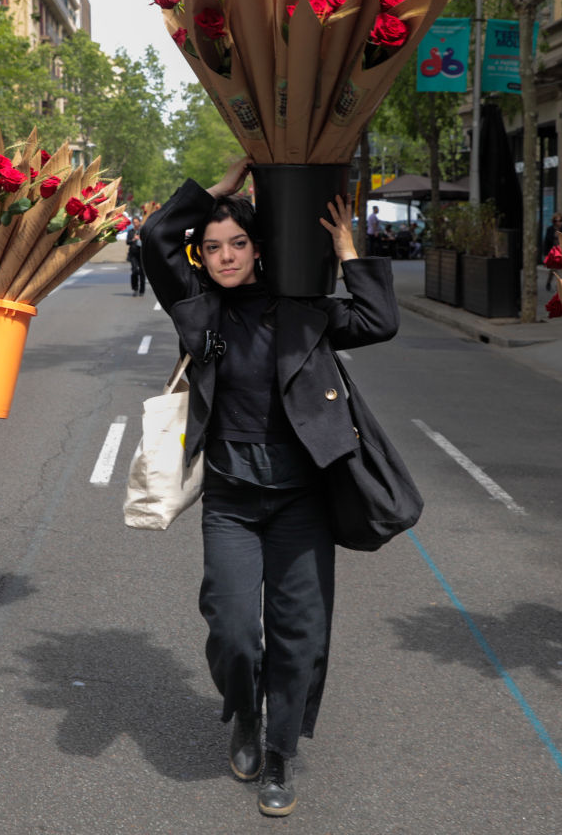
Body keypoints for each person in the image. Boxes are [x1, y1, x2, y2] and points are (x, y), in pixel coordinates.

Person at [140, 158, 399, 818]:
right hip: (230, 499)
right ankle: (244, 715)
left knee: (299, 633)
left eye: (237, 243)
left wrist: (348, 250)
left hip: (300, 500)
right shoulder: (197, 309)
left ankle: (279, 751)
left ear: (259, 250)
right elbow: (155, 238)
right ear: (201, 257)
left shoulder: (301, 309)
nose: (225, 256)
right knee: (232, 630)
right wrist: (217, 191)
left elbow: (378, 320)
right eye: (212, 247)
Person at [125, 214, 146, 297]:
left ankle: (142, 290)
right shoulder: (131, 231)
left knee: (142, 272)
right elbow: (127, 242)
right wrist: (133, 239)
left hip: (142, 254)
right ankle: (135, 288)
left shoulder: (143, 230)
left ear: (139, 222)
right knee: (134, 271)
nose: (135, 224)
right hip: (133, 254)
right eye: (134, 222)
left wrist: (141, 239)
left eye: (136, 222)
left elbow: (148, 240)